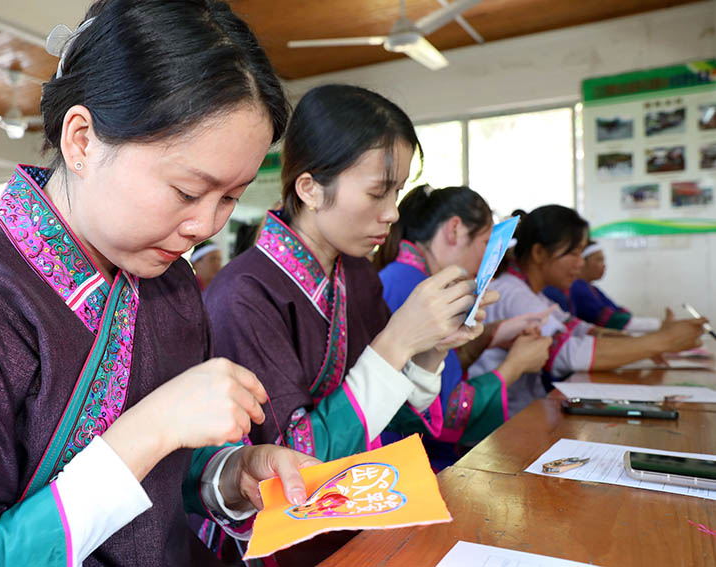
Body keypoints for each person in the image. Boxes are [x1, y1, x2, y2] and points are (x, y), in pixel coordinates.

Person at [0, 2, 319, 566]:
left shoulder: (170, 282)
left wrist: (230, 475)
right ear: (81, 141)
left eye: (230, 196)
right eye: (185, 191)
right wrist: (149, 429)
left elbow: (162, 482)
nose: (205, 227)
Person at [202, 85, 492, 560]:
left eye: (397, 191)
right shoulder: (244, 293)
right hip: (277, 539)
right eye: (379, 192)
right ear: (310, 188)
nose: (393, 212)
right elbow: (294, 458)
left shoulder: (356, 271)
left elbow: (391, 415)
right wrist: (397, 341)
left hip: (353, 517)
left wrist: (432, 347)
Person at [374, 186, 551, 467]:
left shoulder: (404, 278)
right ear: (454, 229)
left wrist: (490, 335)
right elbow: (436, 413)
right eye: (485, 243)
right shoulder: (418, 289)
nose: (487, 260)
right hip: (413, 462)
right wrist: (513, 367)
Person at [470, 205, 706, 415]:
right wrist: (660, 341)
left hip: (523, 409)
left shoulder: (531, 291)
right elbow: (566, 353)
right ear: (539, 253)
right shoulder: (514, 294)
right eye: (573, 253)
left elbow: (579, 329)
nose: (581, 262)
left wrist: (646, 341)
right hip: (502, 420)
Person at [543, 240, 660, 332]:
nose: (604, 265)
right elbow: (610, 321)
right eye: (599, 260)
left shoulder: (591, 288)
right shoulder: (576, 288)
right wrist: (659, 325)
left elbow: (618, 311)